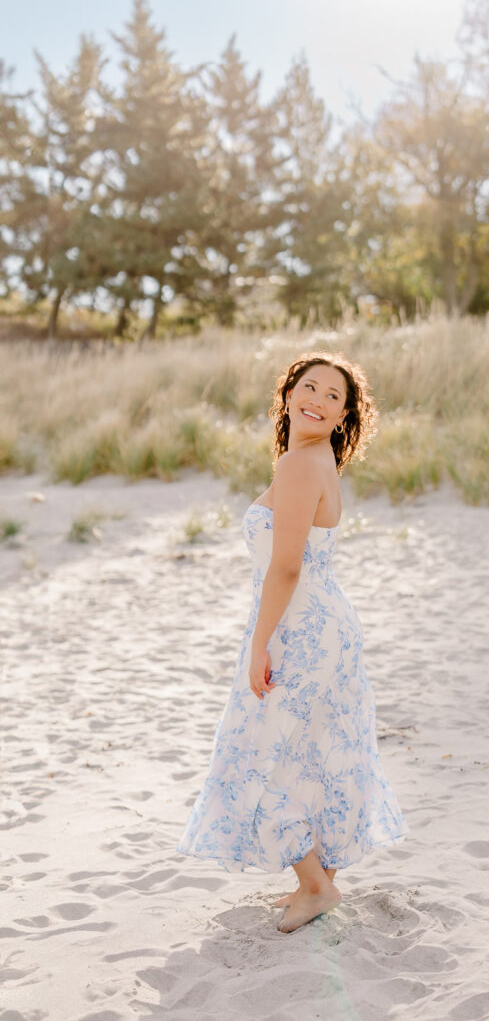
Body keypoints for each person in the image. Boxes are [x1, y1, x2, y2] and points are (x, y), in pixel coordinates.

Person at [176, 351, 409, 933]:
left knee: (258, 753)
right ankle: (319, 880)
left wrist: (258, 644)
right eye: (310, 387)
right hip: (323, 626)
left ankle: (313, 885)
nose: (319, 399)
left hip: (301, 630)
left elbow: (285, 568)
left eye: (335, 395)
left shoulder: (299, 466)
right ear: (287, 395)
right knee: (313, 749)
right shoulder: (312, 460)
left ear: (344, 415)